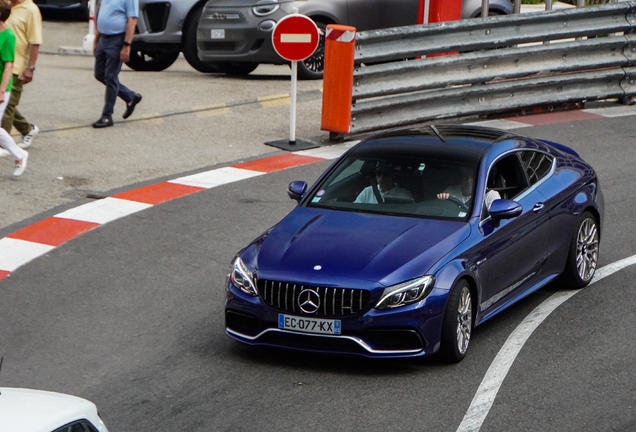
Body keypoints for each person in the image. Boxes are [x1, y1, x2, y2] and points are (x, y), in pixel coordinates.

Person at [92, 0, 142, 128]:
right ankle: (130, 96)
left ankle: (107, 116)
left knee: (110, 77)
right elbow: (101, 16)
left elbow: (132, 20)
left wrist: (126, 45)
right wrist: (96, 40)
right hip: (103, 38)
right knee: (99, 74)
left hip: (117, 39)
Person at [2, 0, 41, 149]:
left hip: (16, 66)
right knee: (5, 103)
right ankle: (27, 129)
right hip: (1, 62)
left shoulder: (31, 10)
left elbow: (35, 42)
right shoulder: (5, 5)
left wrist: (30, 67)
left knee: (7, 106)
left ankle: (3, 145)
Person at [0, 0, 27, 175]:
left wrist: (2, 90)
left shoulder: (8, 35)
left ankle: (19, 154)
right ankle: (19, 154)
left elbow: (9, 65)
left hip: (2, 87)